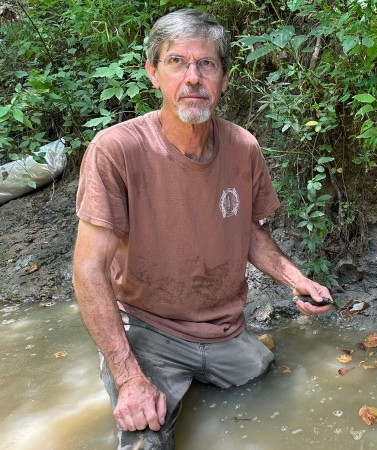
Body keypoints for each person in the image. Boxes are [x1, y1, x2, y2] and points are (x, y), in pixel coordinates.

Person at [71, 9, 333, 449]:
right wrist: (128, 375)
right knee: (145, 437)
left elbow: (251, 234)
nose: (193, 77)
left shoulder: (242, 147)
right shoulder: (115, 150)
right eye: (177, 62)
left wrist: (297, 280)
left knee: (269, 384)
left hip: (224, 329)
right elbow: (88, 270)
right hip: (147, 327)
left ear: (224, 79)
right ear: (153, 73)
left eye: (207, 64)